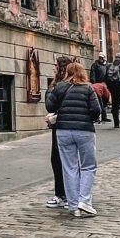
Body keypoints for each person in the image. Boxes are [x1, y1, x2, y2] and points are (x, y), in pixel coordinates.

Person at [47, 60, 100, 215]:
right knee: (88, 166)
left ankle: (73, 205)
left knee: (69, 168)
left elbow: (50, 107)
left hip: (63, 131)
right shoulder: (88, 88)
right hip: (84, 131)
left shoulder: (60, 87)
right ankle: (84, 200)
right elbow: (96, 110)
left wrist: (53, 86)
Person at [45, 55, 71, 208]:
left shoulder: (61, 85)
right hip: (58, 126)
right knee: (57, 160)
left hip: (64, 126)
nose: (53, 68)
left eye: (56, 65)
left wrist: (51, 91)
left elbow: (50, 104)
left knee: (65, 161)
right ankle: (60, 193)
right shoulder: (58, 84)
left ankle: (67, 195)